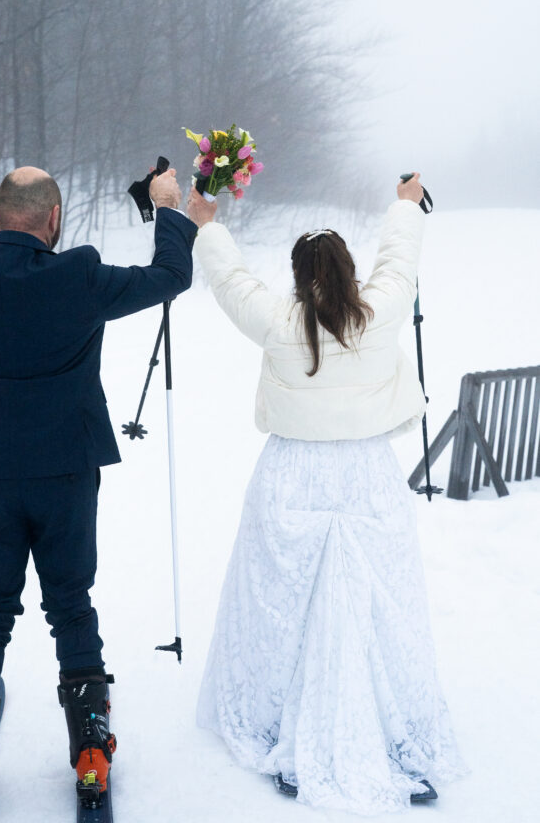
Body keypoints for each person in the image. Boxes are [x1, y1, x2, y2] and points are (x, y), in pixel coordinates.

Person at [0, 156, 197, 814]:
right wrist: (166, 206)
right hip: (66, 473)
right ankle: (91, 751)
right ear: (55, 219)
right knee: (70, 603)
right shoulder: (79, 276)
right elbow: (170, 277)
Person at [186, 174, 466, 815]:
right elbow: (399, 260)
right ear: (349, 269)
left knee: (289, 605)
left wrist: (207, 223)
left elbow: (231, 282)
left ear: (296, 275)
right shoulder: (381, 311)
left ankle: (281, 724)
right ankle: (393, 734)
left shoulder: (278, 322)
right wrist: (405, 206)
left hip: (293, 474)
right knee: (374, 607)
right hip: (367, 475)